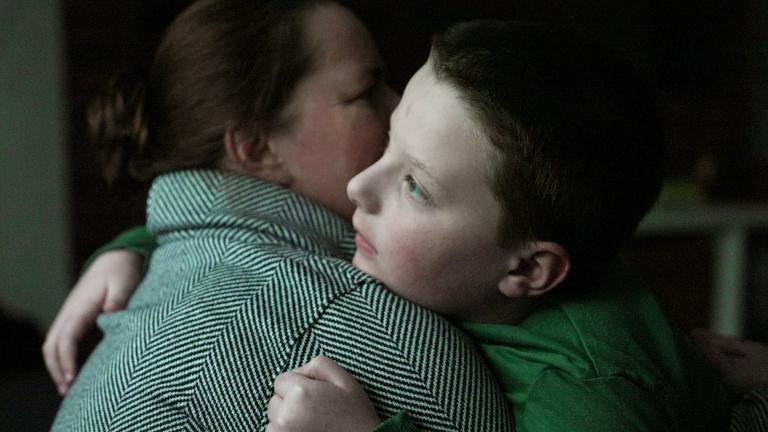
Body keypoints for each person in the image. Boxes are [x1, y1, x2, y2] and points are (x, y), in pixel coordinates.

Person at [51, 17, 731, 432]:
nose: (358, 186)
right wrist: (132, 248)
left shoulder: (584, 391)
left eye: (414, 184)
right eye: (386, 138)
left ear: (529, 269)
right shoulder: (470, 254)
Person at [48, 1, 514, 430]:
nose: (399, 111)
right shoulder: (376, 337)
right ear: (256, 148)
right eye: (366, 91)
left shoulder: (166, 282)